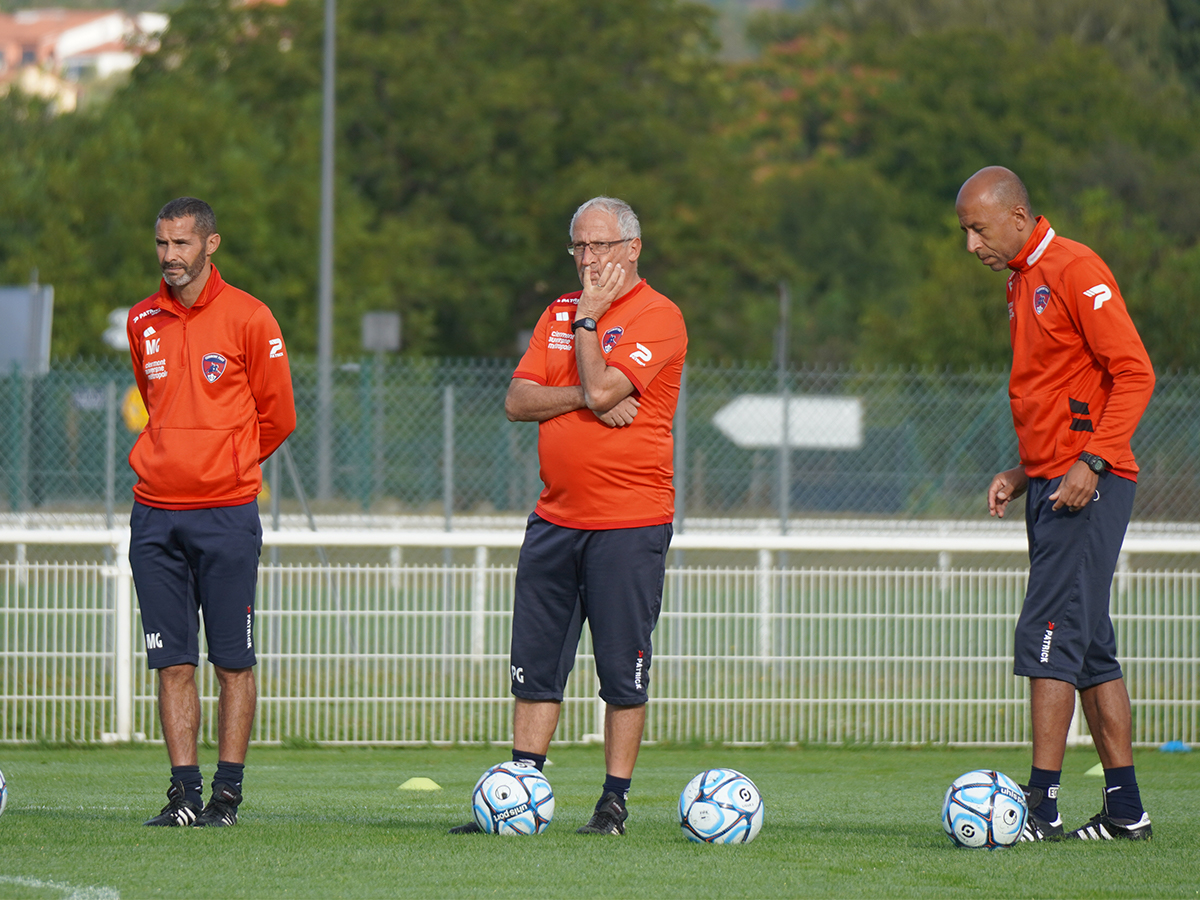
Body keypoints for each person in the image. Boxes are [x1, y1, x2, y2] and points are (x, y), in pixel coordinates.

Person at [451, 196, 687, 835]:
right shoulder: (555, 311)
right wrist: (585, 393)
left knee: (621, 669)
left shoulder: (659, 316)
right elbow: (517, 399)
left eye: (601, 246)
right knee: (535, 668)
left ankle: (612, 803)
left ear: (632, 249)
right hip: (555, 518)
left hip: (629, 522)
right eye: (578, 247)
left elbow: (613, 388)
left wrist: (589, 328)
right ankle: (518, 792)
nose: (588, 258)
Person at [957, 167, 1156, 841]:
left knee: (1047, 637)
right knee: (1090, 646)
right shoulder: (1020, 283)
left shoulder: (1074, 267)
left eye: (977, 229)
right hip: (1052, 480)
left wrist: (1092, 461)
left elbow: (1135, 371)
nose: (971, 246)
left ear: (1017, 218)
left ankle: (1038, 807)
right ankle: (1126, 811)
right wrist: (1023, 471)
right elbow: (1058, 392)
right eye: (965, 232)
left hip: (1090, 484)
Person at [126, 197, 296, 827]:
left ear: (210, 244)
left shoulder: (251, 317)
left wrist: (228, 466)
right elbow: (155, 401)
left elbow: (278, 414)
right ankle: (184, 795)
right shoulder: (142, 320)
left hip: (225, 514)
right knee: (171, 662)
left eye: (181, 244)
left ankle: (227, 795)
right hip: (154, 516)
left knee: (232, 661)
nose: (170, 256)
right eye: (162, 244)